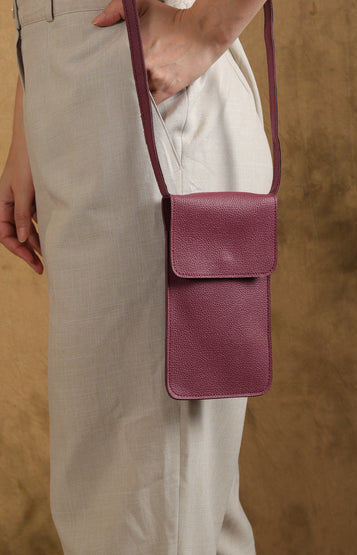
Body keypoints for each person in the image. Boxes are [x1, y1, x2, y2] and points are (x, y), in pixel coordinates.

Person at [1, 0, 273, 552]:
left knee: (141, 514)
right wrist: (29, 116)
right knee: (162, 508)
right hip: (74, 75)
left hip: (144, 79)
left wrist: (205, 29)